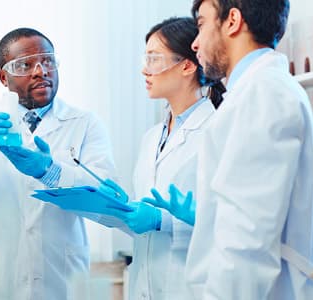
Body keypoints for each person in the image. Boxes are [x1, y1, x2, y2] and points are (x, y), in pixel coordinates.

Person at [0, 27, 117, 299]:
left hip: (60, 283)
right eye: (25, 65)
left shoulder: (85, 124)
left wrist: (50, 172)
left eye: (48, 61)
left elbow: (106, 198)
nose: (40, 71)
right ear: (3, 77)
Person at [148, 0, 313, 298]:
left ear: (233, 21)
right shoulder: (255, 92)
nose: (196, 43)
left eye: (201, 24)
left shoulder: (262, 93)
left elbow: (246, 242)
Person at [74, 17, 224, 299]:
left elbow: (229, 222)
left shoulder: (218, 130)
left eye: (154, 59)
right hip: (145, 283)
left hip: (193, 286)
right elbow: (145, 223)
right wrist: (119, 209)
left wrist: (164, 221)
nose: (145, 70)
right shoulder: (151, 138)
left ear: (187, 65)